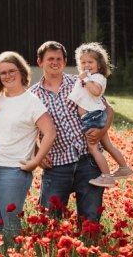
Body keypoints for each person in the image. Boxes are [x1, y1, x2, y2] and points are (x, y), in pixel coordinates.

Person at [29, 41, 114, 227]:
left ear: (65, 61)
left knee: (90, 221)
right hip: (56, 167)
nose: (55, 62)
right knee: (50, 222)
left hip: (88, 162)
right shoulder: (32, 95)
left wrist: (101, 131)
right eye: (50, 58)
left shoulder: (81, 82)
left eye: (59, 58)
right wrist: (36, 152)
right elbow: (25, 131)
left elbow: (108, 110)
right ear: (40, 62)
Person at [0, 51, 56, 240]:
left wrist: (35, 161)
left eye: (12, 71)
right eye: (3, 73)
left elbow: (50, 132)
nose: (7, 76)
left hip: (14, 171)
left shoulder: (32, 102)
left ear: (22, 72)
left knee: (10, 226)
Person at [68, 42, 133, 188]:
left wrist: (85, 79)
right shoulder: (88, 77)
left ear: (99, 64)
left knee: (93, 148)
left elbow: (96, 91)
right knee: (107, 144)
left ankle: (106, 176)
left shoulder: (97, 78)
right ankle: (124, 167)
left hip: (93, 117)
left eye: (90, 62)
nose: (86, 65)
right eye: (83, 62)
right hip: (93, 116)